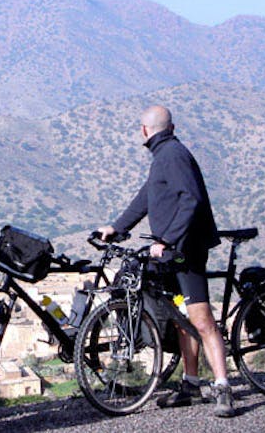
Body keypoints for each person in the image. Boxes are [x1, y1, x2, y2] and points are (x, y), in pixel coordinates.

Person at [96, 105, 235, 418]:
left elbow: (191, 199)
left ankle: (223, 388)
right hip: (172, 252)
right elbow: (146, 198)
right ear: (171, 127)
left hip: (186, 251)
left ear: (144, 130)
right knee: (180, 319)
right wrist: (116, 227)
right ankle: (191, 385)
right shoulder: (164, 156)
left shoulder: (172, 155)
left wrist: (168, 239)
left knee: (202, 320)